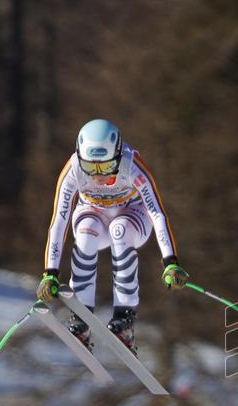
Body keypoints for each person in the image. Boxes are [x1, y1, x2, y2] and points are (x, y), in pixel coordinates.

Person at [36, 119, 188, 353]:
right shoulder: (73, 169)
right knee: (85, 232)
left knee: (120, 229)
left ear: (118, 155)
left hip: (132, 216)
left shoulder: (132, 165)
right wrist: (50, 273)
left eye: (106, 167)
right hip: (93, 214)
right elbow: (59, 221)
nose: (98, 176)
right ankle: (81, 318)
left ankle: (124, 319)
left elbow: (157, 213)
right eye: (90, 167)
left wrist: (170, 262)